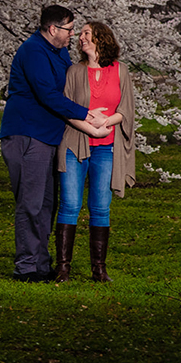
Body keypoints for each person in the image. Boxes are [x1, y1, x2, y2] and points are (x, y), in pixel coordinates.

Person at [0, 6, 107, 282]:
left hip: (48, 137)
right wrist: (86, 114)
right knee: (31, 203)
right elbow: (47, 94)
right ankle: (26, 267)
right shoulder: (34, 51)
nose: (73, 35)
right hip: (28, 135)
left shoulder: (57, 52)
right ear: (52, 29)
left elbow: (71, 85)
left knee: (47, 204)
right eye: (69, 30)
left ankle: (40, 263)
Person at [54, 21, 136, 283]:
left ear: (101, 38)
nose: (80, 38)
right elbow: (65, 108)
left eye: (86, 34)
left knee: (100, 207)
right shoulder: (74, 71)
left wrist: (106, 124)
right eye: (79, 35)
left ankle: (99, 270)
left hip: (106, 149)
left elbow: (127, 110)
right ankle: (63, 269)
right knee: (70, 205)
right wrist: (90, 128)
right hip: (74, 145)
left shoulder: (121, 71)